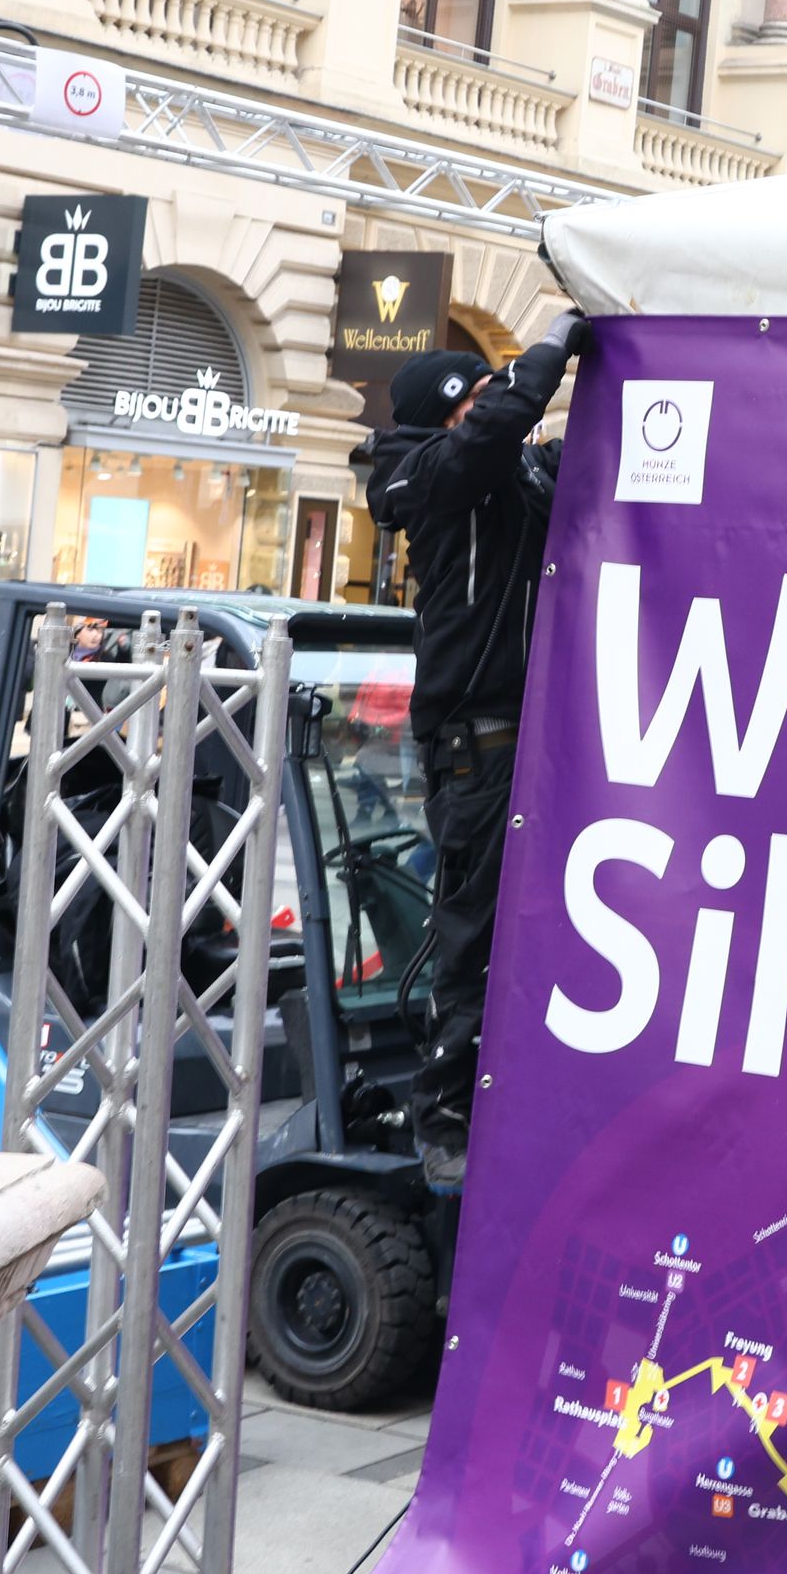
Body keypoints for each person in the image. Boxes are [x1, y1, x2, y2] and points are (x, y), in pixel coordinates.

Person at [356, 320, 583, 1183]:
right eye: (481, 397)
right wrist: (550, 350)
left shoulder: (506, 474)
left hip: (535, 742)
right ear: (452, 413)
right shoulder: (426, 475)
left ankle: (516, 1098)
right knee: (476, 936)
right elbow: (489, 437)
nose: (503, 409)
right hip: (478, 749)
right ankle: (445, 1116)